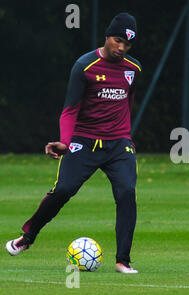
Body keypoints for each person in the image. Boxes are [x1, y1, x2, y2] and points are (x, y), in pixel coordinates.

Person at [5, 13, 142, 274]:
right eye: (117, 41)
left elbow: (127, 102)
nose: (122, 48)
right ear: (107, 36)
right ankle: (28, 237)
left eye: (127, 44)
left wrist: (126, 137)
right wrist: (65, 142)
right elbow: (70, 109)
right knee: (64, 189)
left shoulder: (133, 68)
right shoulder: (85, 66)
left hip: (118, 145)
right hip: (84, 141)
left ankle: (123, 260)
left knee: (126, 192)